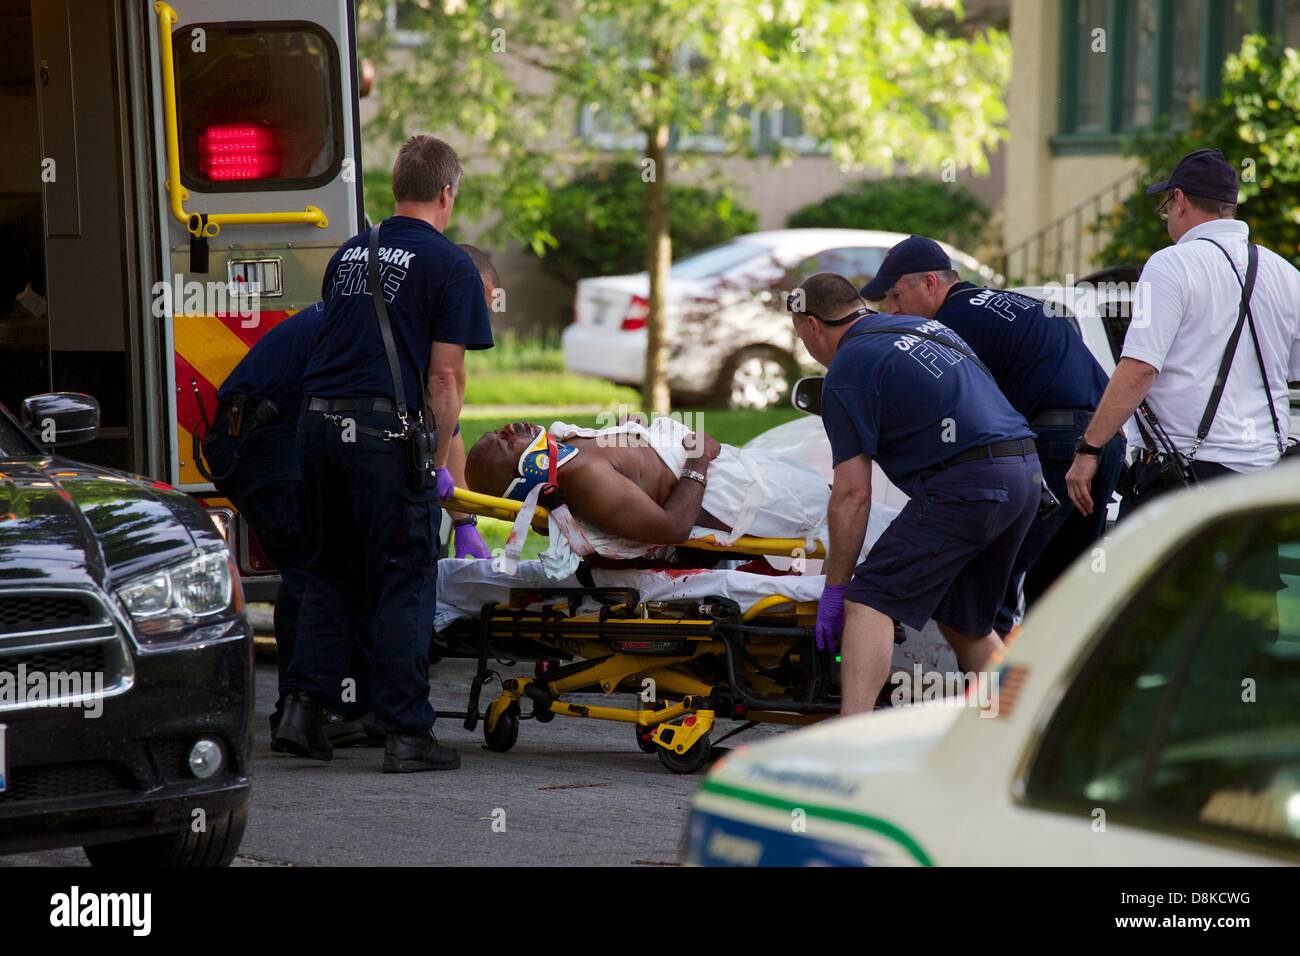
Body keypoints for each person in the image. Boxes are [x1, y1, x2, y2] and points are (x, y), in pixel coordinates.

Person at [274, 134, 494, 772]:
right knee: (403, 575)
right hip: (381, 437)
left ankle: (301, 709)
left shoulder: (350, 252)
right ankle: (404, 732)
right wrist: (429, 458)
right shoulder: (450, 265)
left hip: (316, 430)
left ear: (398, 187)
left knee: (328, 569)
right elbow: (446, 380)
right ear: (448, 192)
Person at [789, 273, 1039, 716]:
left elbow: (852, 493)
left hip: (968, 483)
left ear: (812, 325)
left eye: (801, 337)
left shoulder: (848, 369)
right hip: (1024, 473)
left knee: (870, 597)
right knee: (967, 622)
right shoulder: (924, 327)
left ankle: (852, 740)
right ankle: (1022, 735)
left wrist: (836, 586)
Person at [863, 235, 1124, 634]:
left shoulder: (951, 325)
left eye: (896, 296)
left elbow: (956, 414)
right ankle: (1063, 688)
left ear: (930, 283)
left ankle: (998, 691)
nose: (893, 309)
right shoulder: (1012, 305)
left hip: (1055, 445)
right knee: (1062, 587)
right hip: (1100, 443)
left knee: (988, 585)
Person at [1065, 148, 1300, 517]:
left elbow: (1140, 368)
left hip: (1183, 476)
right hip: (1261, 476)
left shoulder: (1170, 264)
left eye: (1164, 208)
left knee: (1142, 575)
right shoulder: (1283, 272)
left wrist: (1089, 449)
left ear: (1179, 201)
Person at [201, 302, 374, 746]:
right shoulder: (377, 319)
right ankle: (304, 709)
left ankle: (325, 705)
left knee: (317, 565)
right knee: (313, 566)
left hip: (262, 434)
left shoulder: (367, 311)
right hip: (262, 439)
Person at [463, 416, 829, 558]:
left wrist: (626, 431)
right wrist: (699, 459)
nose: (508, 428)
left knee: (851, 512)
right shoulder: (582, 477)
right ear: (526, 473)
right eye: (502, 441)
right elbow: (673, 528)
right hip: (748, 495)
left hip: (751, 477)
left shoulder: (571, 456)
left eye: (500, 430)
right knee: (852, 521)